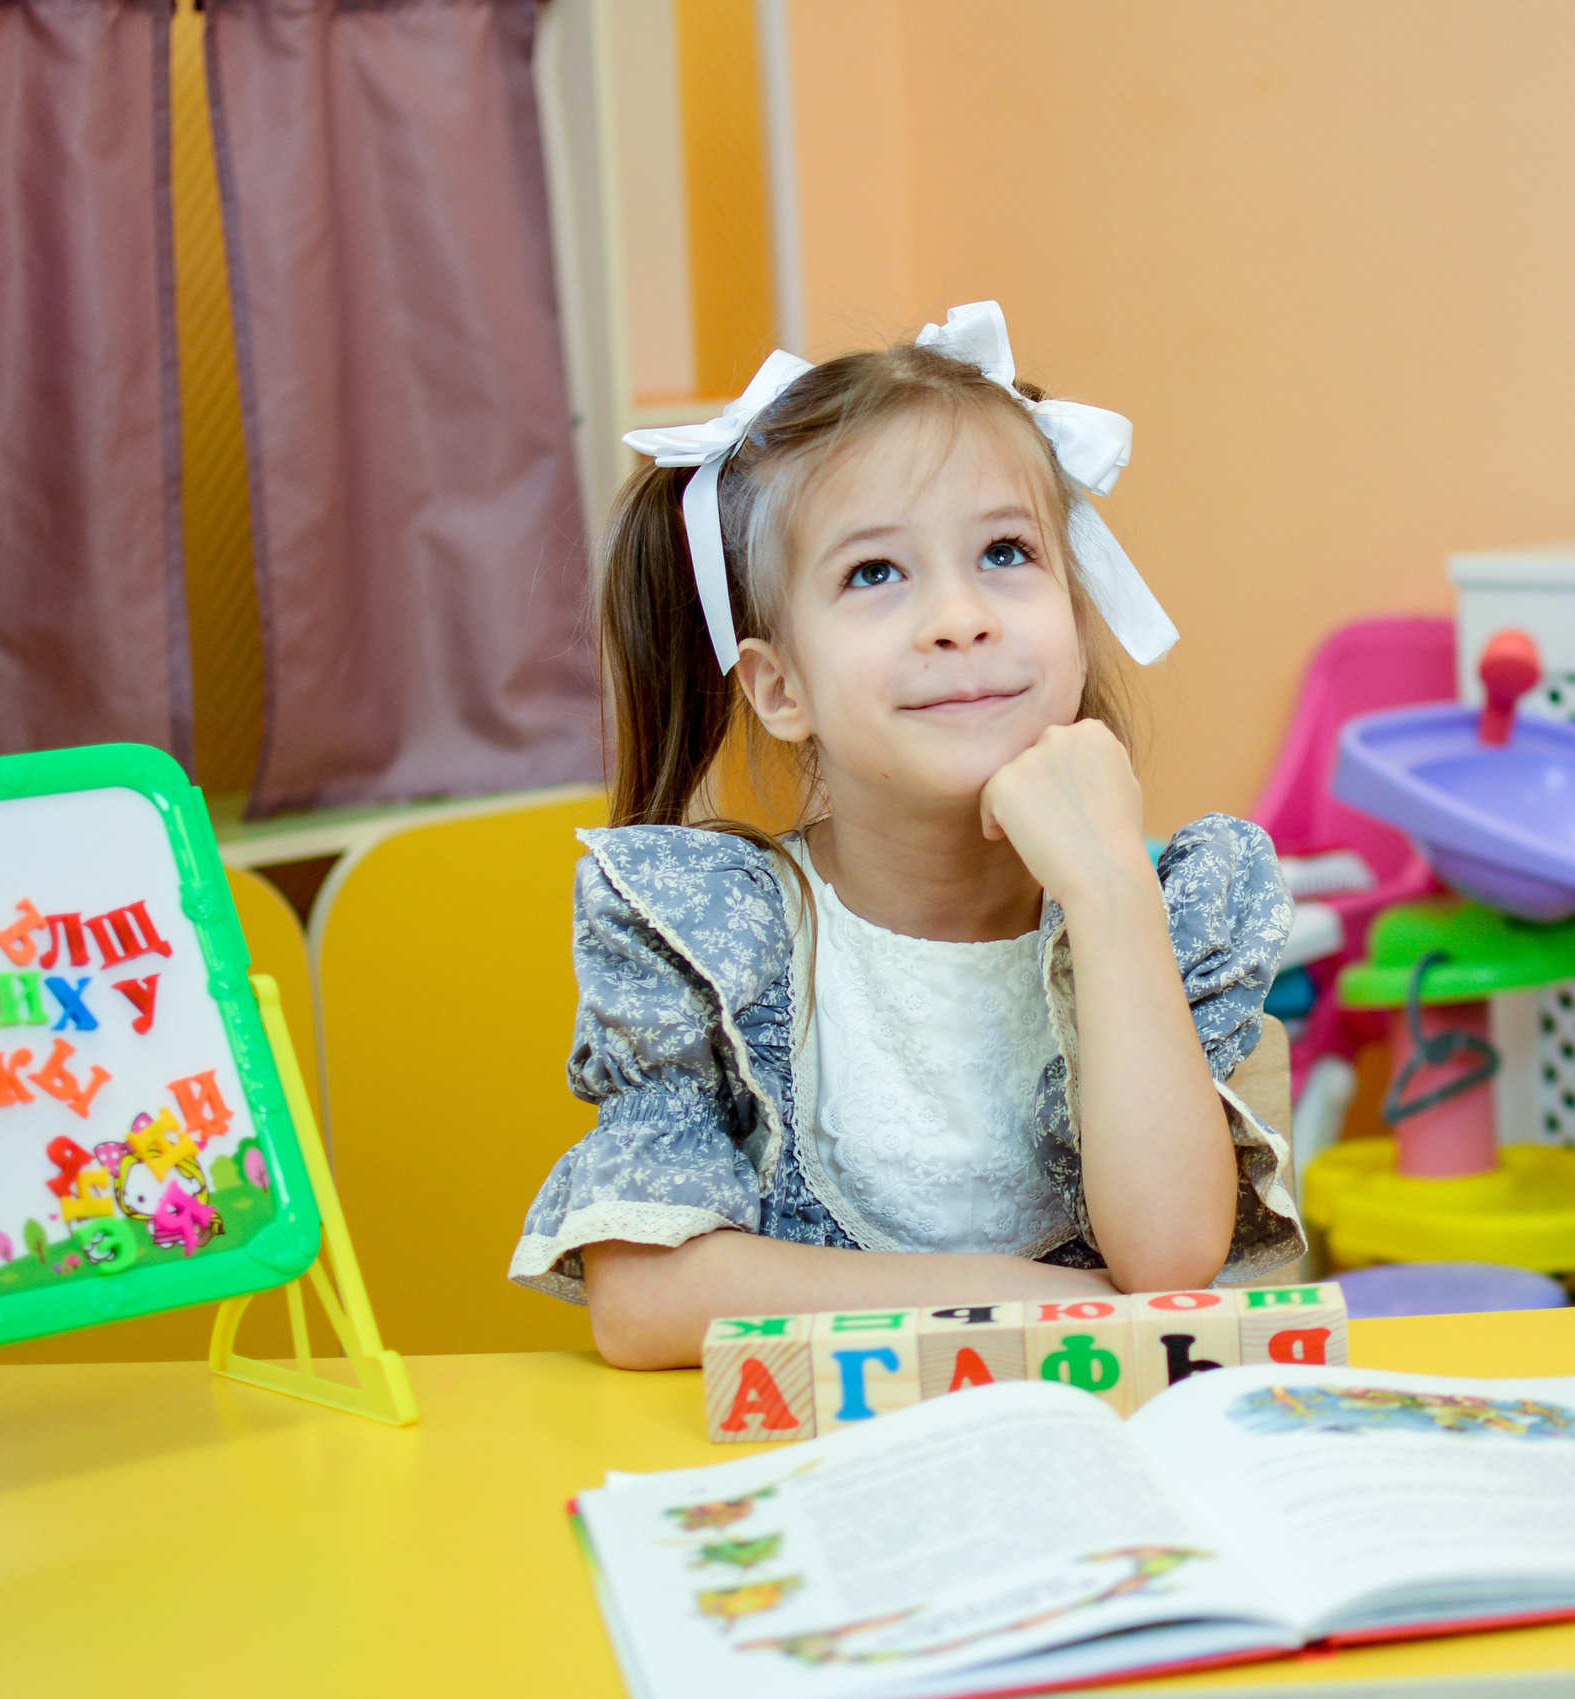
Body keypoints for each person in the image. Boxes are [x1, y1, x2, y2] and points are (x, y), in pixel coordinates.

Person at [510, 304, 1302, 1369]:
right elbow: (646, 1299)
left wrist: (1111, 892)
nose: (961, 617)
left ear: (1076, 619)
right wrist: (1035, 1305)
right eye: (875, 573)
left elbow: (1168, 1258)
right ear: (780, 687)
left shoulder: (1180, 906)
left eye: (1006, 552)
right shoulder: (709, 928)